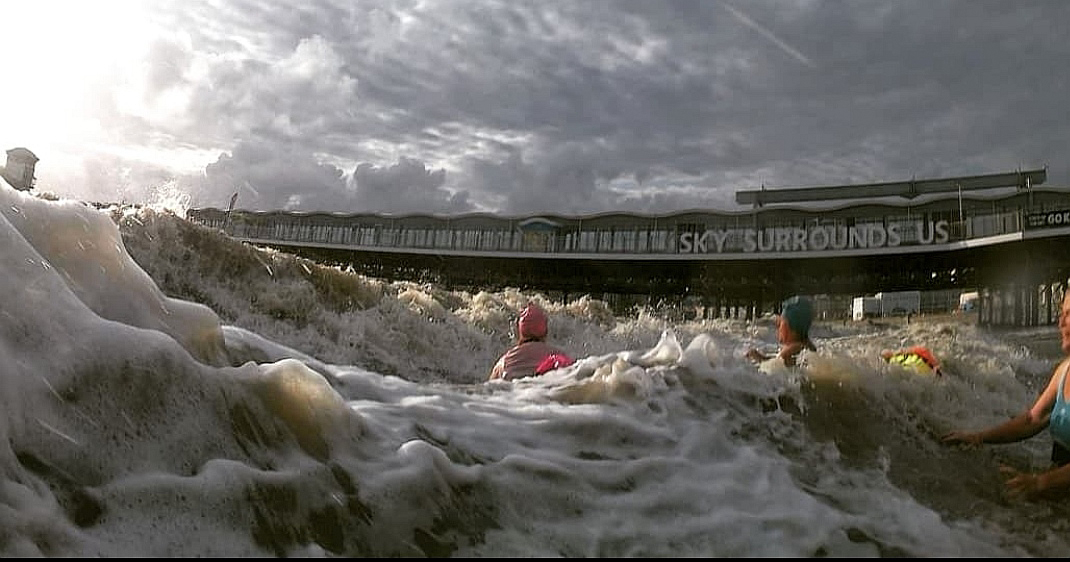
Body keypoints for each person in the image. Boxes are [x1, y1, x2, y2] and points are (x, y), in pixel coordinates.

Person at [941, 289, 1070, 500]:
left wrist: (1039, 483)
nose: (1060, 322)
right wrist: (979, 437)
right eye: (1061, 314)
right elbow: (1032, 419)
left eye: (1068, 314)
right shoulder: (1064, 371)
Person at [488, 302, 575, 381]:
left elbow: (489, 392)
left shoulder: (504, 362)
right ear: (545, 332)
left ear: (520, 332)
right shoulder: (560, 357)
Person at [746, 295, 817, 368]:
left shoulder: (793, 348)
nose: (778, 328)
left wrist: (758, 357)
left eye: (780, 324)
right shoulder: (808, 346)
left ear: (788, 328)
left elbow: (775, 364)